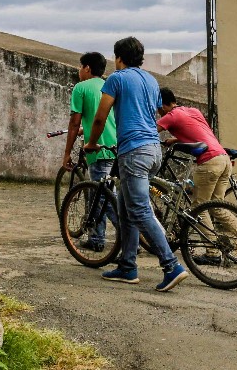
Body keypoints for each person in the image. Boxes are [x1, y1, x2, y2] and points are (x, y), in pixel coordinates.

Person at [83, 36, 189, 292]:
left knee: (140, 210)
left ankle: (171, 265)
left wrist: (92, 143)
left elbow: (100, 117)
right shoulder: (151, 81)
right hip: (153, 150)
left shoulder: (116, 79)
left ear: (118, 58)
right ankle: (127, 266)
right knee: (124, 208)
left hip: (134, 152)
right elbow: (148, 113)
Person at [156, 87, 237, 264]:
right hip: (223, 159)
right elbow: (201, 133)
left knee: (198, 208)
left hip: (208, 162)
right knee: (217, 207)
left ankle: (212, 253)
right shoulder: (192, 111)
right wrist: (176, 139)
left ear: (161, 105)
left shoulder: (170, 116)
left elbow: (150, 131)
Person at [60, 51, 117, 251]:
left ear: (87, 68)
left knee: (104, 198)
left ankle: (126, 240)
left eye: (80, 66)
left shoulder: (81, 88)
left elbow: (74, 123)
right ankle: (97, 238)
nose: (79, 71)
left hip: (98, 148)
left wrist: (67, 153)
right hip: (116, 147)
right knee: (103, 195)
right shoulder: (109, 86)